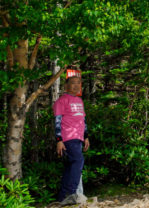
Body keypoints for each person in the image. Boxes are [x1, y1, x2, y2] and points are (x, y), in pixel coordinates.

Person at [54, 75, 89, 205]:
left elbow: (83, 120)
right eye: (73, 83)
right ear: (66, 86)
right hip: (68, 137)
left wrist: (86, 136)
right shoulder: (61, 101)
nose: (76, 85)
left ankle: (62, 197)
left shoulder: (80, 101)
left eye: (78, 83)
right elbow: (57, 121)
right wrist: (59, 140)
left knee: (70, 166)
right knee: (78, 160)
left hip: (78, 138)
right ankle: (71, 193)